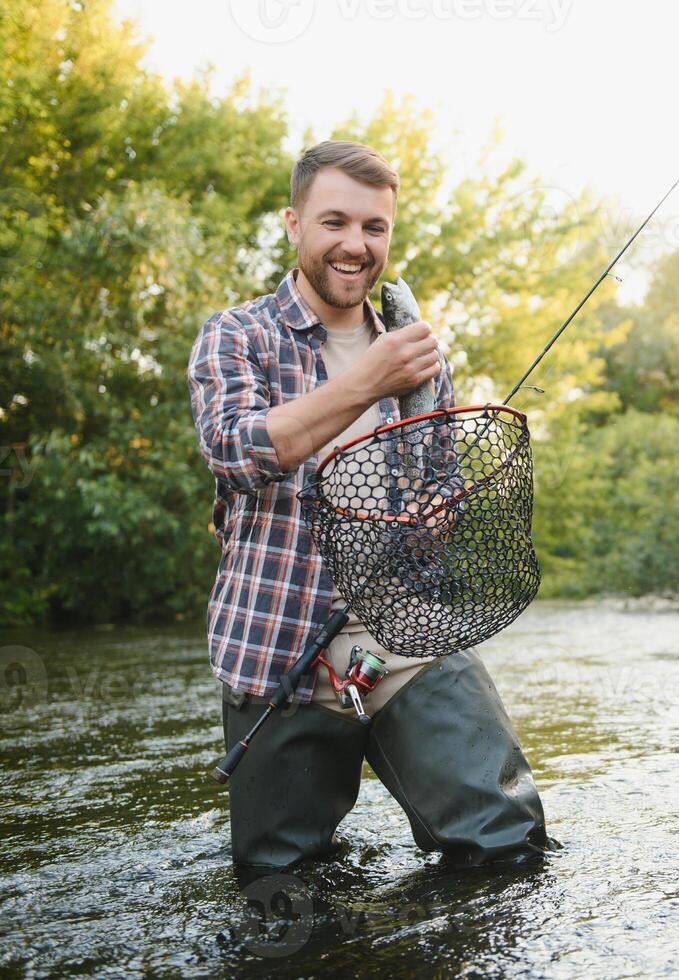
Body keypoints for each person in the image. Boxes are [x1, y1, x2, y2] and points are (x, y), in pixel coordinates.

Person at [186, 140, 550, 869]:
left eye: (374, 228)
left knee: (507, 848)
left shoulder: (419, 357)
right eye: (334, 222)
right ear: (294, 225)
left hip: (405, 634)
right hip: (277, 646)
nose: (355, 245)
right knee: (281, 885)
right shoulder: (237, 336)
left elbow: (439, 475)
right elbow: (235, 449)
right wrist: (366, 381)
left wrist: (438, 509)